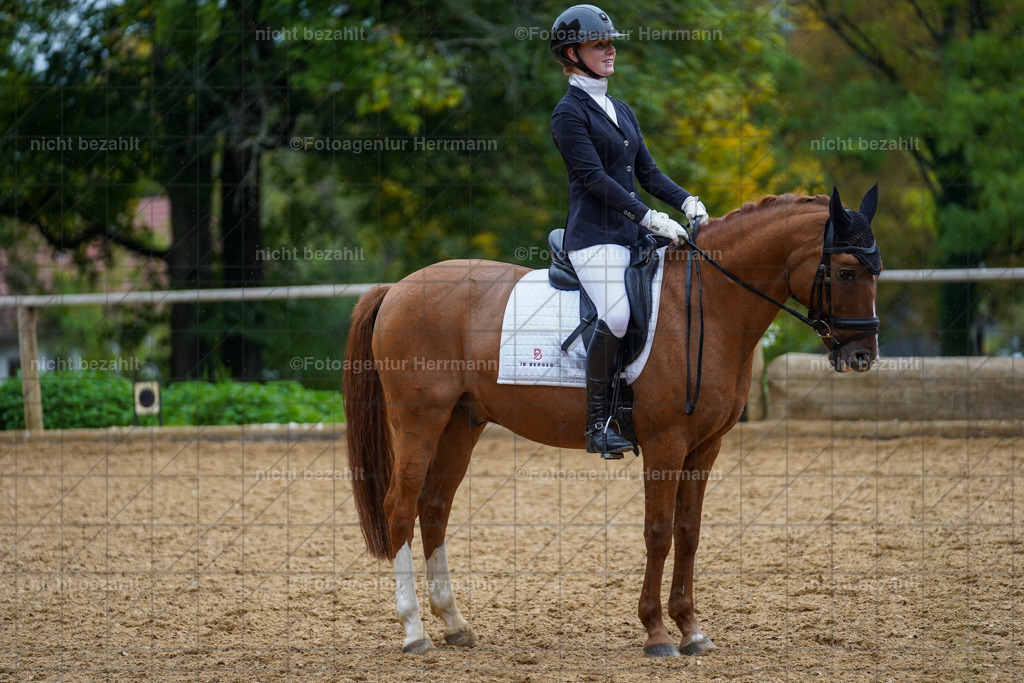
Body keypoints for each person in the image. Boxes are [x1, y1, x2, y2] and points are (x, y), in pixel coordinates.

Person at [549, 4, 708, 456]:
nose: (611, 49)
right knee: (616, 316)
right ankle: (598, 423)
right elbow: (593, 179)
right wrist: (648, 216)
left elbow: (649, 173)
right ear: (572, 53)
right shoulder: (568, 113)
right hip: (593, 239)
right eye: (600, 44)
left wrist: (684, 201)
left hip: (632, 235)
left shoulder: (619, 108)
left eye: (611, 42)